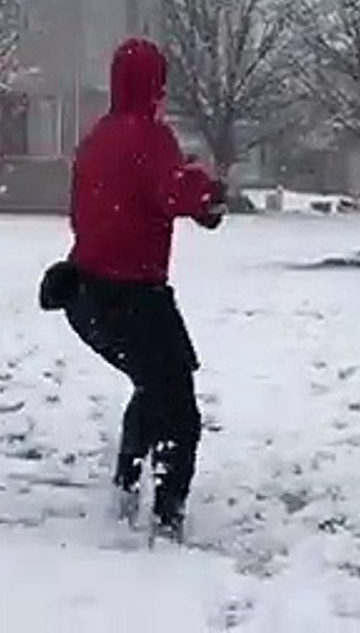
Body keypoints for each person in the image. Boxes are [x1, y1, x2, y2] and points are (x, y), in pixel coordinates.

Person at [39, 37, 227, 543]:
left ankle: (124, 493)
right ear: (155, 85)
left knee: (153, 386)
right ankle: (166, 519)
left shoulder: (97, 138)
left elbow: (106, 205)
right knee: (178, 409)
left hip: (86, 295)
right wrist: (208, 192)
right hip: (133, 296)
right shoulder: (150, 137)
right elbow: (173, 190)